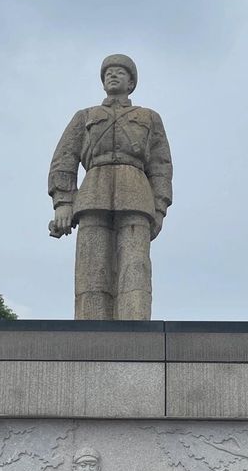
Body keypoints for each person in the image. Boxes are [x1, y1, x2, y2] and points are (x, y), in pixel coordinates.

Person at [48, 54, 173, 320]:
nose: (112, 75)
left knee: (135, 265)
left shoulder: (149, 117)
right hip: (93, 190)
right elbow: (64, 159)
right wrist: (63, 202)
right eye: (108, 73)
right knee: (91, 266)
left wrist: (160, 207)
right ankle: (90, 330)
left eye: (120, 72)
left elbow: (161, 165)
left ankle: (135, 328)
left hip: (137, 192)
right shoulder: (85, 116)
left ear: (131, 82)